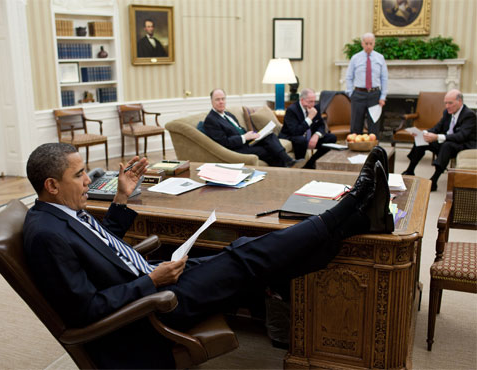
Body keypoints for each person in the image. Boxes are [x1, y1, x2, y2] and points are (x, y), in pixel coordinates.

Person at [23, 142, 392, 368]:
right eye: (80, 174)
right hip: (153, 304)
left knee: (244, 249)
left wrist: (122, 198)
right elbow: (85, 309)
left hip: (151, 276)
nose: (89, 180)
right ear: (52, 185)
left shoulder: (62, 211)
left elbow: (102, 246)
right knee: (245, 260)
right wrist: (153, 281)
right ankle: (345, 213)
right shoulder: (46, 236)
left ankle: (354, 221)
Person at [402, 89, 477, 191]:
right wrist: (424, 133)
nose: (447, 106)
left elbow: (461, 136)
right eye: (445, 103)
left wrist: (437, 137)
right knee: (422, 140)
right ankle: (410, 170)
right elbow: (437, 128)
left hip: (463, 145)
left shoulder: (469, 115)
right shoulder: (447, 112)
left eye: (450, 103)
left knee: (447, 146)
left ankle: (434, 180)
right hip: (447, 141)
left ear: (459, 102)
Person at [204, 88, 297, 167]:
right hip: (236, 149)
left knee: (270, 136)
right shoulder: (211, 120)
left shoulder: (228, 114)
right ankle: (285, 166)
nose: (221, 102)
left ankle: (288, 160)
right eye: (217, 99)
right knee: (268, 149)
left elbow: (240, 130)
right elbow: (225, 142)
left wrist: (252, 135)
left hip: (246, 142)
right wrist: (244, 137)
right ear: (211, 101)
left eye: (223, 99)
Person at [279, 88, 337, 169]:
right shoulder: (292, 110)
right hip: (292, 136)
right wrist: (309, 118)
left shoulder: (315, 107)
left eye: (314, 101)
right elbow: (296, 131)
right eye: (310, 102)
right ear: (302, 100)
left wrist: (316, 135)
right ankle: (299, 164)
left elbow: (321, 125)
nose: (312, 104)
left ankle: (310, 164)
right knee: (301, 140)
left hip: (309, 136)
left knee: (331, 138)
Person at [346, 32, 388, 136]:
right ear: (362, 44)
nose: (368, 46)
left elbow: (384, 78)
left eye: (371, 43)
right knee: (356, 125)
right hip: (359, 94)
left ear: (374, 44)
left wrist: (383, 97)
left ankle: (373, 150)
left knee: (374, 125)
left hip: (374, 95)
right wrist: (351, 93)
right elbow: (349, 77)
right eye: (366, 43)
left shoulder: (380, 58)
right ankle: (354, 149)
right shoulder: (355, 58)